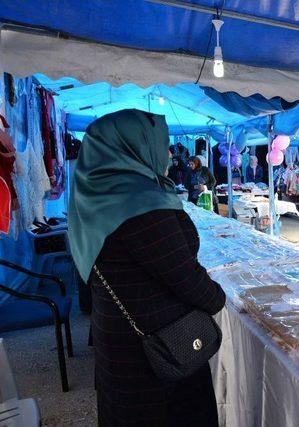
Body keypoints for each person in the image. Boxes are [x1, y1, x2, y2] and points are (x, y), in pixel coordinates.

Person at [67, 109, 226, 426]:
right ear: (133, 146)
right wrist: (217, 296)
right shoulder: (140, 203)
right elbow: (184, 277)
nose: (166, 153)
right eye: (160, 144)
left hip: (119, 335)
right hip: (159, 348)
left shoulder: (95, 192)